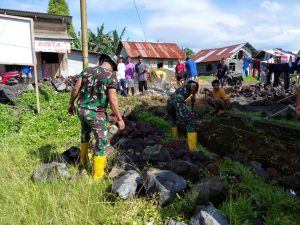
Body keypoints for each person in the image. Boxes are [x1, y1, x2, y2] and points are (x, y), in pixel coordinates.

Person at [68, 53, 125, 180]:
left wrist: (71, 104)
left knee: (85, 134)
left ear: (103, 60)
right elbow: (113, 99)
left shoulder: (87, 71)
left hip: (81, 111)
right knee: (101, 141)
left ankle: (83, 162)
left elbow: (76, 89)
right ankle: (98, 176)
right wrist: (120, 119)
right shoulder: (110, 77)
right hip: (96, 114)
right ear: (113, 65)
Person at [167, 80, 199, 151]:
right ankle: (193, 149)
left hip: (170, 102)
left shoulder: (182, 89)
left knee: (174, 120)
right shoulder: (191, 85)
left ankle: (174, 138)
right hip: (177, 100)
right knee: (190, 121)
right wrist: (193, 95)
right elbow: (193, 84)